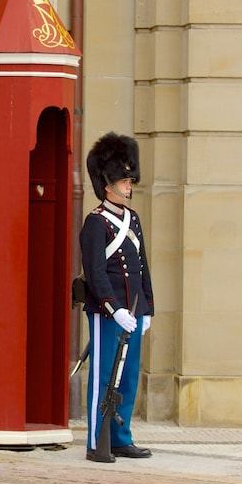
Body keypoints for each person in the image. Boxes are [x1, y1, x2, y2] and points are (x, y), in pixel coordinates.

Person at [80, 132, 155, 463]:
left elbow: (143, 266)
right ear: (107, 184)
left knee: (128, 374)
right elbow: (95, 273)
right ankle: (97, 441)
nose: (129, 185)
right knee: (103, 376)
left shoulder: (133, 219)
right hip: (108, 312)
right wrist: (113, 308)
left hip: (133, 310)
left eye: (129, 179)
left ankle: (121, 437)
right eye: (124, 180)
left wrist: (147, 307)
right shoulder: (95, 223)